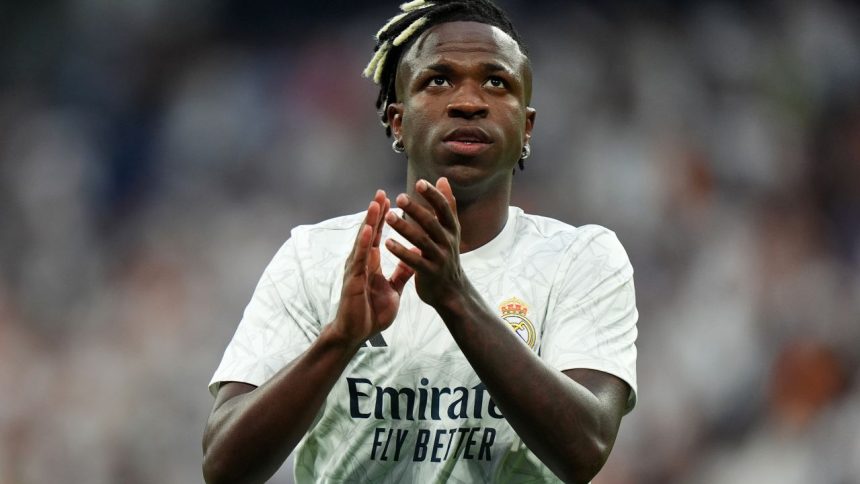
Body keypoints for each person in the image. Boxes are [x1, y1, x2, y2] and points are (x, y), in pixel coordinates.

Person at [202, 1, 638, 482]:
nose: (468, 101)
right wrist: (338, 340)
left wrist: (454, 296)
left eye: (496, 82)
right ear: (397, 122)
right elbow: (224, 466)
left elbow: (586, 447)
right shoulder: (316, 257)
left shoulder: (580, 260)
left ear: (526, 128)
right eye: (438, 80)